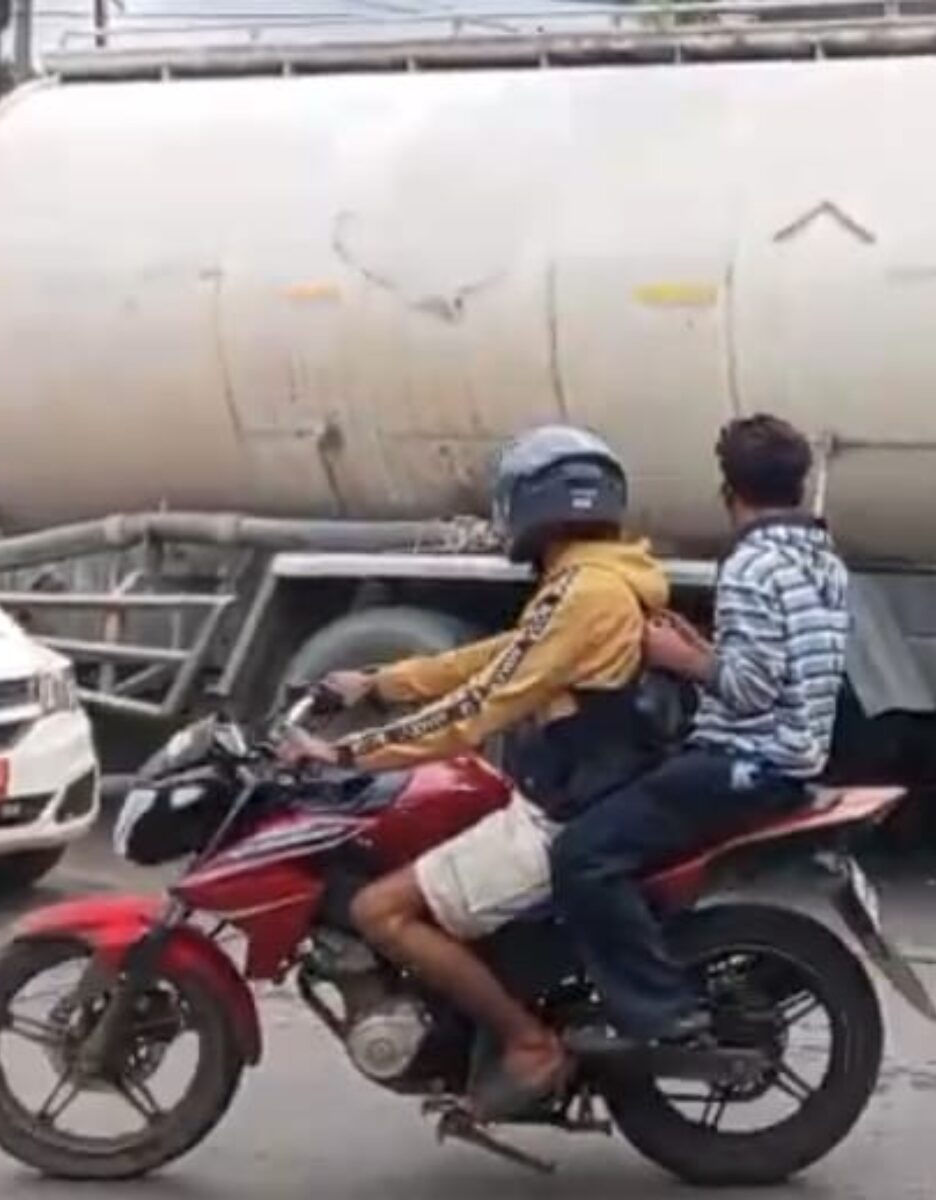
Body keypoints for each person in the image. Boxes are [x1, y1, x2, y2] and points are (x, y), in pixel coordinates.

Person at [279, 425, 670, 1118]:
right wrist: (379, 681)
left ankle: (528, 1045)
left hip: (565, 808)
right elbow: (500, 656)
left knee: (380, 909)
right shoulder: (598, 578)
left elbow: (480, 706)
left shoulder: (585, 593)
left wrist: (344, 753)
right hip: (576, 788)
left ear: (530, 504)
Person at [547, 413, 850, 1047]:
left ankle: (658, 1009)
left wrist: (678, 659)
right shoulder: (823, 561)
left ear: (729, 493)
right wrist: (704, 651)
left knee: (581, 855)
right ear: (798, 484)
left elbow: (750, 689)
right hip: (795, 758)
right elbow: (783, 668)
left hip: (744, 766)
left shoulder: (750, 568)